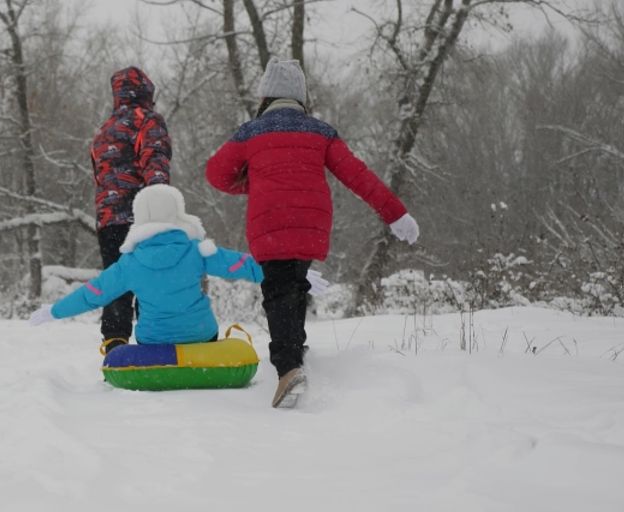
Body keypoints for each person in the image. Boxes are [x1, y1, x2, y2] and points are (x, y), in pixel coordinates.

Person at [205, 57, 420, 409]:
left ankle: (288, 368)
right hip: (311, 225)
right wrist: (395, 214)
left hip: (269, 223)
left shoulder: (251, 132)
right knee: (294, 284)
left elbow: (216, 174)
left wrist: (257, 184)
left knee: (278, 290)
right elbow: (359, 176)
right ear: (301, 97)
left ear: (265, 97)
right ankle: (296, 350)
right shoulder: (320, 132)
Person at [28, 185, 263, 348]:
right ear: (176, 212)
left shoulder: (130, 263)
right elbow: (243, 265)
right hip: (201, 334)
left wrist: (54, 311)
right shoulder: (197, 250)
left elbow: (94, 293)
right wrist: (289, 273)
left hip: (154, 340)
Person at [88, 66, 172, 352]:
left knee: (118, 282)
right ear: (146, 92)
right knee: (153, 281)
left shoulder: (102, 131)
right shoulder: (148, 121)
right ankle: (155, 343)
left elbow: (99, 177)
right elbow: (156, 165)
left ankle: (115, 344)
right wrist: (164, 211)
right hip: (142, 219)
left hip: (109, 221)